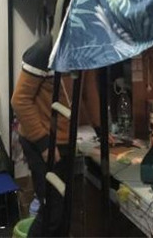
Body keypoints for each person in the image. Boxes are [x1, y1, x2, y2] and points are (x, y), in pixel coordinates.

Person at [11, 35, 102, 237]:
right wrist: (44, 144)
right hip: (40, 141)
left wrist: (100, 129)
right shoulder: (44, 50)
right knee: (51, 212)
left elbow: (89, 90)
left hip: (64, 140)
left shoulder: (87, 45)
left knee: (64, 212)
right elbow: (20, 100)